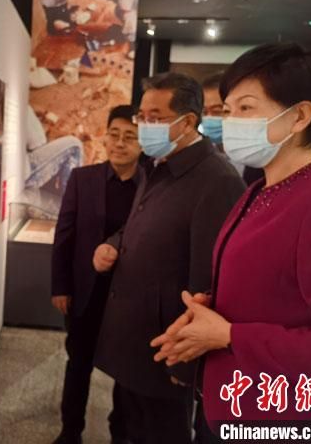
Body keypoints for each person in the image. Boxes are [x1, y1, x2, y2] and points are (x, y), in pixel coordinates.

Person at [150, 43, 311, 442]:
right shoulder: (259, 189)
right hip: (234, 401)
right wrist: (209, 311)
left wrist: (228, 335)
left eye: (245, 108)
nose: (230, 121)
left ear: (300, 116)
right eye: (227, 109)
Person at [92, 73, 245, 444]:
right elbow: (139, 222)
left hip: (167, 348)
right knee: (123, 426)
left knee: (160, 433)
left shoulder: (217, 179)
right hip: (133, 336)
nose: (145, 126)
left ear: (188, 122)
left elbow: (210, 280)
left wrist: (186, 361)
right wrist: (112, 243)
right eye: (142, 117)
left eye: (155, 118)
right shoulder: (159, 163)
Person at [51, 105, 142, 444]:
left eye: (130, 137)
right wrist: (60, 286)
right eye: (114, 134)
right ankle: (70, 430)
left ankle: (121, 432)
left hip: (130, 296)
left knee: (126, 371)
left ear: (143, 143)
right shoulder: (83, 179)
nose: (120, 143)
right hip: (86, 292)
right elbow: (65, 235)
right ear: (105, 138)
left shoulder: (152, 184)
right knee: (78, 363)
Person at [201, 72, 264, 184]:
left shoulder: (259, 154)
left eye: (217, 111)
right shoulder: (201, 155)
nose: (209, 118)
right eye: (204, 112)